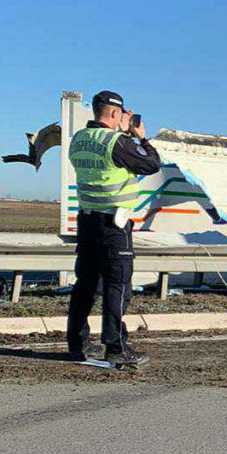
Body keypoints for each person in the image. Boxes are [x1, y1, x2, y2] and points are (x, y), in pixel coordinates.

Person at [66, 90, 161, 364]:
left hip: (86, 222)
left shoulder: (79, 140)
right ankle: (116, 347)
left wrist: (123, 134)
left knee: (85, 284)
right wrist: (139, 136)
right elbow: (151, 163)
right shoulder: (116, 142)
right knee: (117, 284)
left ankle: (77, 343)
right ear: (115, 114)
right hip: (114, 224)